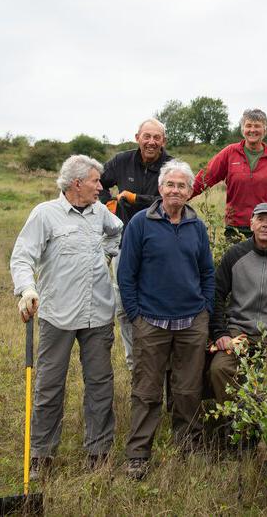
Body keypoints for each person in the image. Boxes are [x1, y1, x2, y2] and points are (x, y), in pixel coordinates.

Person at [10, 155, 123, 477]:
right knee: (49, 387)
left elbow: (117, 231)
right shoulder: (45, 215)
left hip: (98, 314)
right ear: (76, 184)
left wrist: (106, 254)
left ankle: (99, 453)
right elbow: (21, 257)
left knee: (100, 385)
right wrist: (26, 291)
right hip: (57, 315)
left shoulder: (100, 212)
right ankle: (41, 457)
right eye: (95, 181)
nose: (101, 187)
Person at [117, 160, 215, 481]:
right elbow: (126, 273)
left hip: (191, 322)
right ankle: (138, 454)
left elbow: (207, 273)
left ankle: (189, 446)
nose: (175, 190)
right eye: (170, 184)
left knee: (188, 390)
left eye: (182, 186)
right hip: (151, 321)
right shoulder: (141, 224)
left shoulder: (196, 227)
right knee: (146, 390)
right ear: (160, 189)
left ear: (190, 192)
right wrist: (135, 315)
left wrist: (205, 312)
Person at [99, 117, 172, 370]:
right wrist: (106, 204)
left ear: (163, 141)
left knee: (156, 301)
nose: (151, 142)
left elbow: (172, 199)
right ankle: (135, 366)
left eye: (157, 138)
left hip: (160, 244)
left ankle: (161, 366)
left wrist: (134, 198)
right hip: (124, 242)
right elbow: (97, 182)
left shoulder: (170, 166)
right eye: (147, 136)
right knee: (123, 305)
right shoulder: (121, 161)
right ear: (137, 137)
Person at [209, 203, 267, 402]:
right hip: (238, 333)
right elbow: (215, 294)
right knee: (219, 369)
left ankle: (261, 426)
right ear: (251, 224)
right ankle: (235, 423)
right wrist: (220, 333)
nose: (265, 225)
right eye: (260, 220)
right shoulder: (235, 255)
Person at [191, 108, 267, 239]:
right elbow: (205, 178)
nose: (252, 130)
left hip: (265, 226)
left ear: (265, 130)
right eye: (248, 125)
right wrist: (181, 196)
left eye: (257, 126)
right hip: (235, 228)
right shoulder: (230, 153)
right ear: (242, 129)